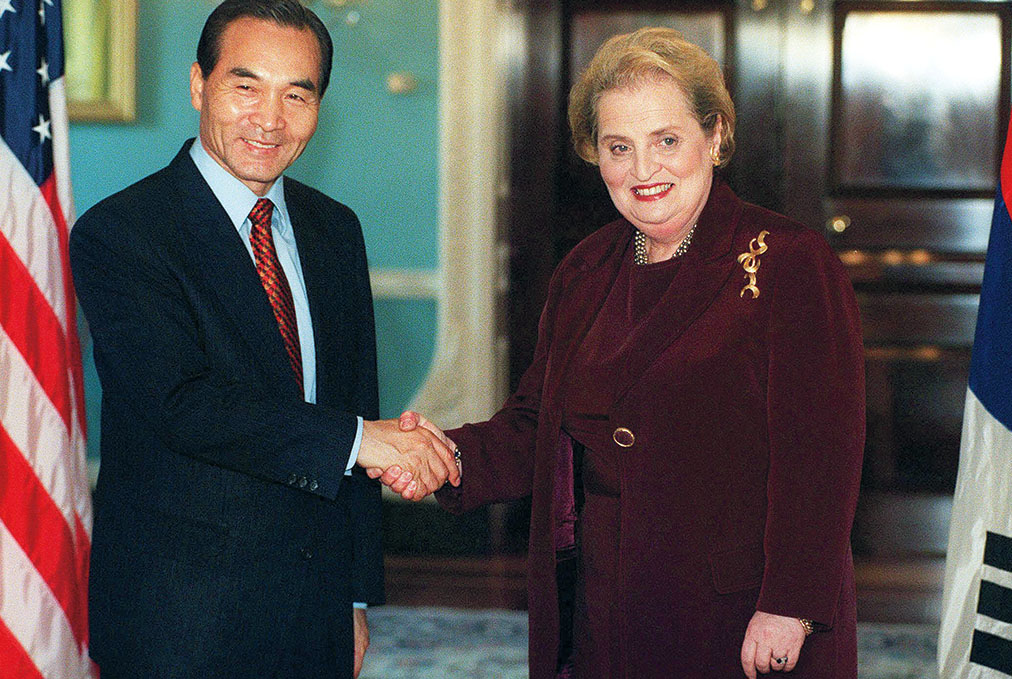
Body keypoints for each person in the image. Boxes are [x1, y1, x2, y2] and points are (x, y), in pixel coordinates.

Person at [386, 27, 864, 679]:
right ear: (596, 155)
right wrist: (446, 458)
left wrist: (790, 604)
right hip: (603, 615)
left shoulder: (786, 262)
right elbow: (533, 426)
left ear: (715, 134)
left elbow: (821, 452)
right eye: (619, 147)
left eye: (666, 140)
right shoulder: (585, 269)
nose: (644, 169)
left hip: (735, 621)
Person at [69, 2, 458, 677]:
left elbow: (353, 395)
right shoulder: (123, 232)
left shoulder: (335, 229)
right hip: (180, 617)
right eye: (246, 86)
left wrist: (355, 596)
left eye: (296, 94)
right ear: (199, 85)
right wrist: (363, 440)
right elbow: (181, 403)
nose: (270, 118)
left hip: (315, 609)